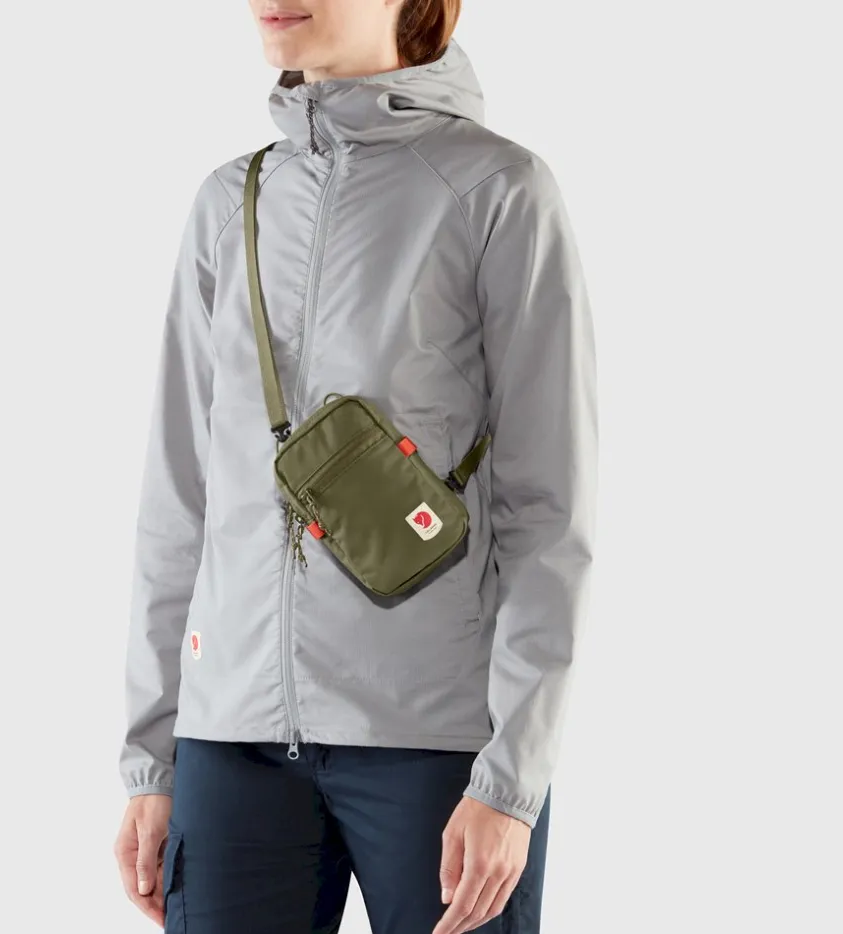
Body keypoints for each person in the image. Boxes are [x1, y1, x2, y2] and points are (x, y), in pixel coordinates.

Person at [113, 1, 597, 931]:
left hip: (437, 749)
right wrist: (153, 760)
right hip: (231, 744)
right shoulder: (230, 202)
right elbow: (179, 499)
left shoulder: (496, 190)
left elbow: (549, 512)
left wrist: (511, 780)